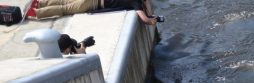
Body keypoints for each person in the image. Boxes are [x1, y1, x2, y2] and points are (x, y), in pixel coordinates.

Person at [31, 0, 160, 25]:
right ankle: (36, 12)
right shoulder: (135, 2)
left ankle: (39, 3)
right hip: (91, 4)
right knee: (64, 9)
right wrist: (152, 20)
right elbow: (145, 19)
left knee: (64, 1)